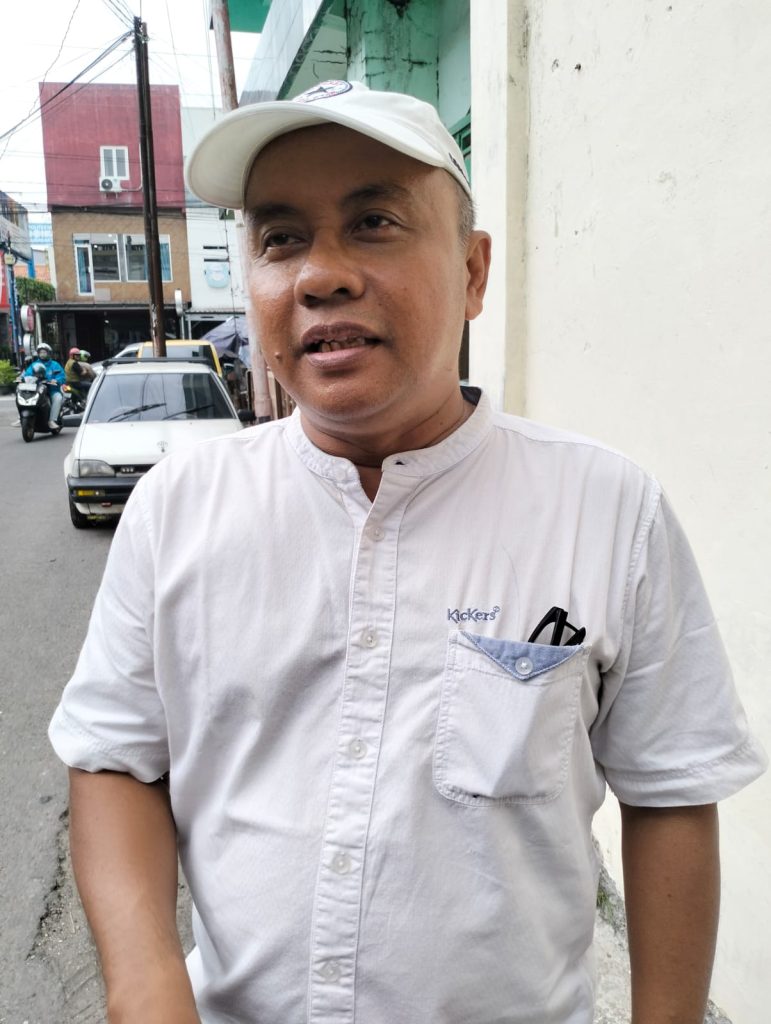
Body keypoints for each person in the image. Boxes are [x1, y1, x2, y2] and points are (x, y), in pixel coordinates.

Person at [49, 81, 766, 1024]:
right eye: (280, 238)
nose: (320, 275)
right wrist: (147, 990)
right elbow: (114, 758)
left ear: (472, 272)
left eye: (374, 222)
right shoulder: (177, 509)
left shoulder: (606, 510)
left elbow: (669, 789)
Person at [25, 342, 65, 428]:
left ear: (49, 353)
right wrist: (22, 378)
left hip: (52, 389)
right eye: (40, 352)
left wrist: (56, 380)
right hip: (36, 389)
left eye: (44, 352)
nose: (42, 354)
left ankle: (52, 420)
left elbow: (61, 376)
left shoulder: (55, 365)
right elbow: (27, 374)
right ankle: (21, 417)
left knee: (58, 397)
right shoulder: (34, 365)